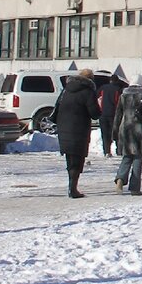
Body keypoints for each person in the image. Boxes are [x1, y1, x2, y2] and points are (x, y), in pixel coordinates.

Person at [53, 68, 100, 199]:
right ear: (90, 79)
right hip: (79, 130)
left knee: (70, 159)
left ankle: (71, 186)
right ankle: (73, 189)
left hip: (64, 129)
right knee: (78, 160)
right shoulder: (88, 92)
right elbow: (95, 114)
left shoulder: (66, 89)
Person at [98, 74, 126, 156]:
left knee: (105, 133)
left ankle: (107, 151)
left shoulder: (103, 88)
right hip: (114, 114)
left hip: (103, 114)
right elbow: (119, 102)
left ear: (110, 80)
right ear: (117, 81)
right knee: (116, 133)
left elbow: (98, 98)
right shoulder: (118, 89)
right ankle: (119, 150)